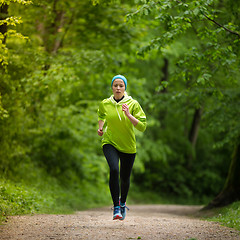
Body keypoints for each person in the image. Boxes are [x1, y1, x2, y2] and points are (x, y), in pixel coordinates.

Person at [97, 74, 147, 220]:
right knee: (113, 169)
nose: (118, 88)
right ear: (112, 87)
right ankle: (116, 208)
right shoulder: (105, 103)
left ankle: (123, 203)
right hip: (110, 142)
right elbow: (101, 115)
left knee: (125, 178)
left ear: (125, 88)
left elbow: (142, 127)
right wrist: (101, 128)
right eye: (115, 85)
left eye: (121, 86)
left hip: (128, 145)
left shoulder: (133, 104)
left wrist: (128, 115)